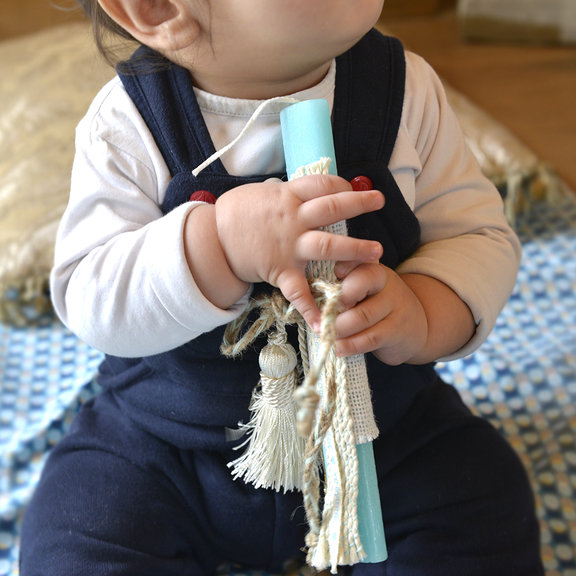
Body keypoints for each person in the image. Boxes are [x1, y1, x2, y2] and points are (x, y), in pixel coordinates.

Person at [20, 1, 544, 574]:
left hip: (385, 435)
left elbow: (477, 235)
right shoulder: (128, 121)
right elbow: (89, 296)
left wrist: (423, 307)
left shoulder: (405, 91)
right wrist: (214, 246)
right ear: (158, 7)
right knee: (76, 533)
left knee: (485, 497)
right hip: (165, 445)